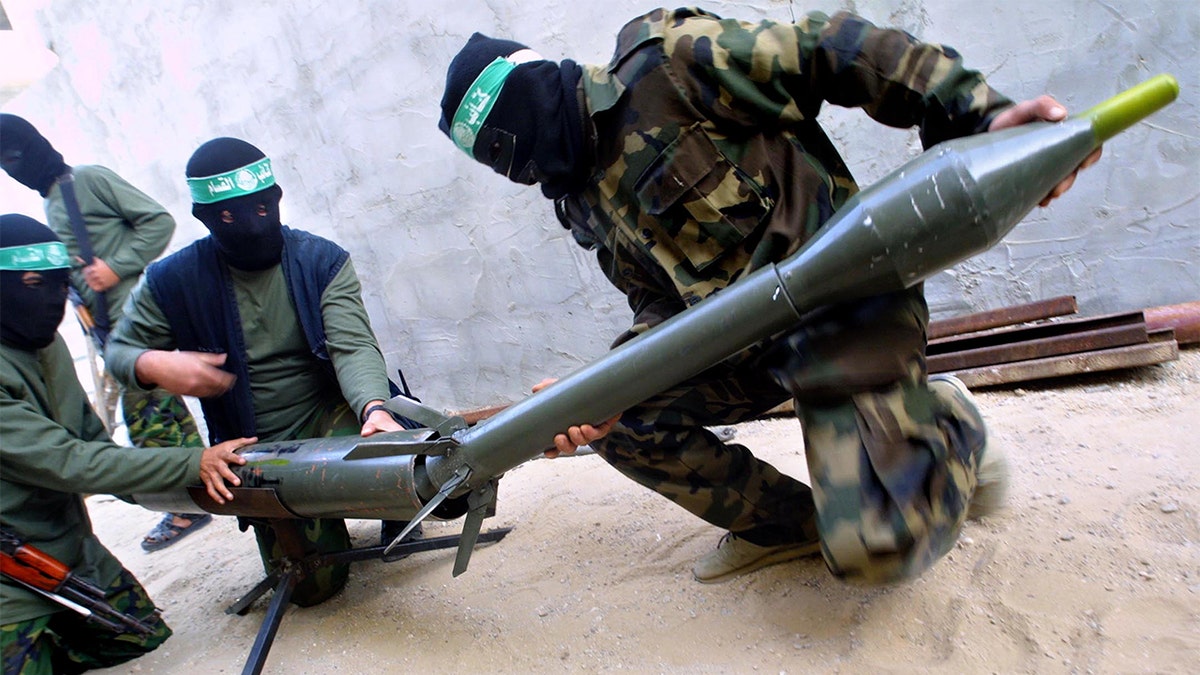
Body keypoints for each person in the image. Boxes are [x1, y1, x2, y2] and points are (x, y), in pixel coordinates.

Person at [437, 8, 1102, 585]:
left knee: (880, 551)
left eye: (506, 143)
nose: (518, 169)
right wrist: (599, 394)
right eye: (497, 160)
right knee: (627, 421)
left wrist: (975, 112)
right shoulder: (580, 201)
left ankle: (947, 426)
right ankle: (790, 528)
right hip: (749, 346)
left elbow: (831, 50)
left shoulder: (668, 65)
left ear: (525, 97)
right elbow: (661, 307)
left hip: (849, 311)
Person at [104, 137, 416, 606]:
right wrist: (153, 363)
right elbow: (119, 352)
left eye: (262, 208)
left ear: (276, 197)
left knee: (411, 460)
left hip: (326, 413)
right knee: (314, 589)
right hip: (255, 442)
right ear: (207, 219)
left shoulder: (321, 260)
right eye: (229, 216)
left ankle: (393, 505)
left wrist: (374, 407)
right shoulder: (173, 281)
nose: (252, 224)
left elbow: (353, 347)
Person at [0, 213, 255, 674]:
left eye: (61, 286)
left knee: (137, 638)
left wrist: (205, 491)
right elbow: (69, 461)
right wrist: (191, 462)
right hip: (7, 568)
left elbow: (94, 446)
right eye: (34, 283)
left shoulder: (43, 345)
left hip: (64, 547)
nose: (53, 301)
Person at [0, 113, 213, 553]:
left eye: (17, 155)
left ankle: (185, 503)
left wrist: (115, 266)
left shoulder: (89, 180)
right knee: (162, 409)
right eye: (5, 163)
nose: (14, 168)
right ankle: (197, 487)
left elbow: (157, 220)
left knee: (144, 415)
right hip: (107, 329)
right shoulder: (52, 203)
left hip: (135, 322)